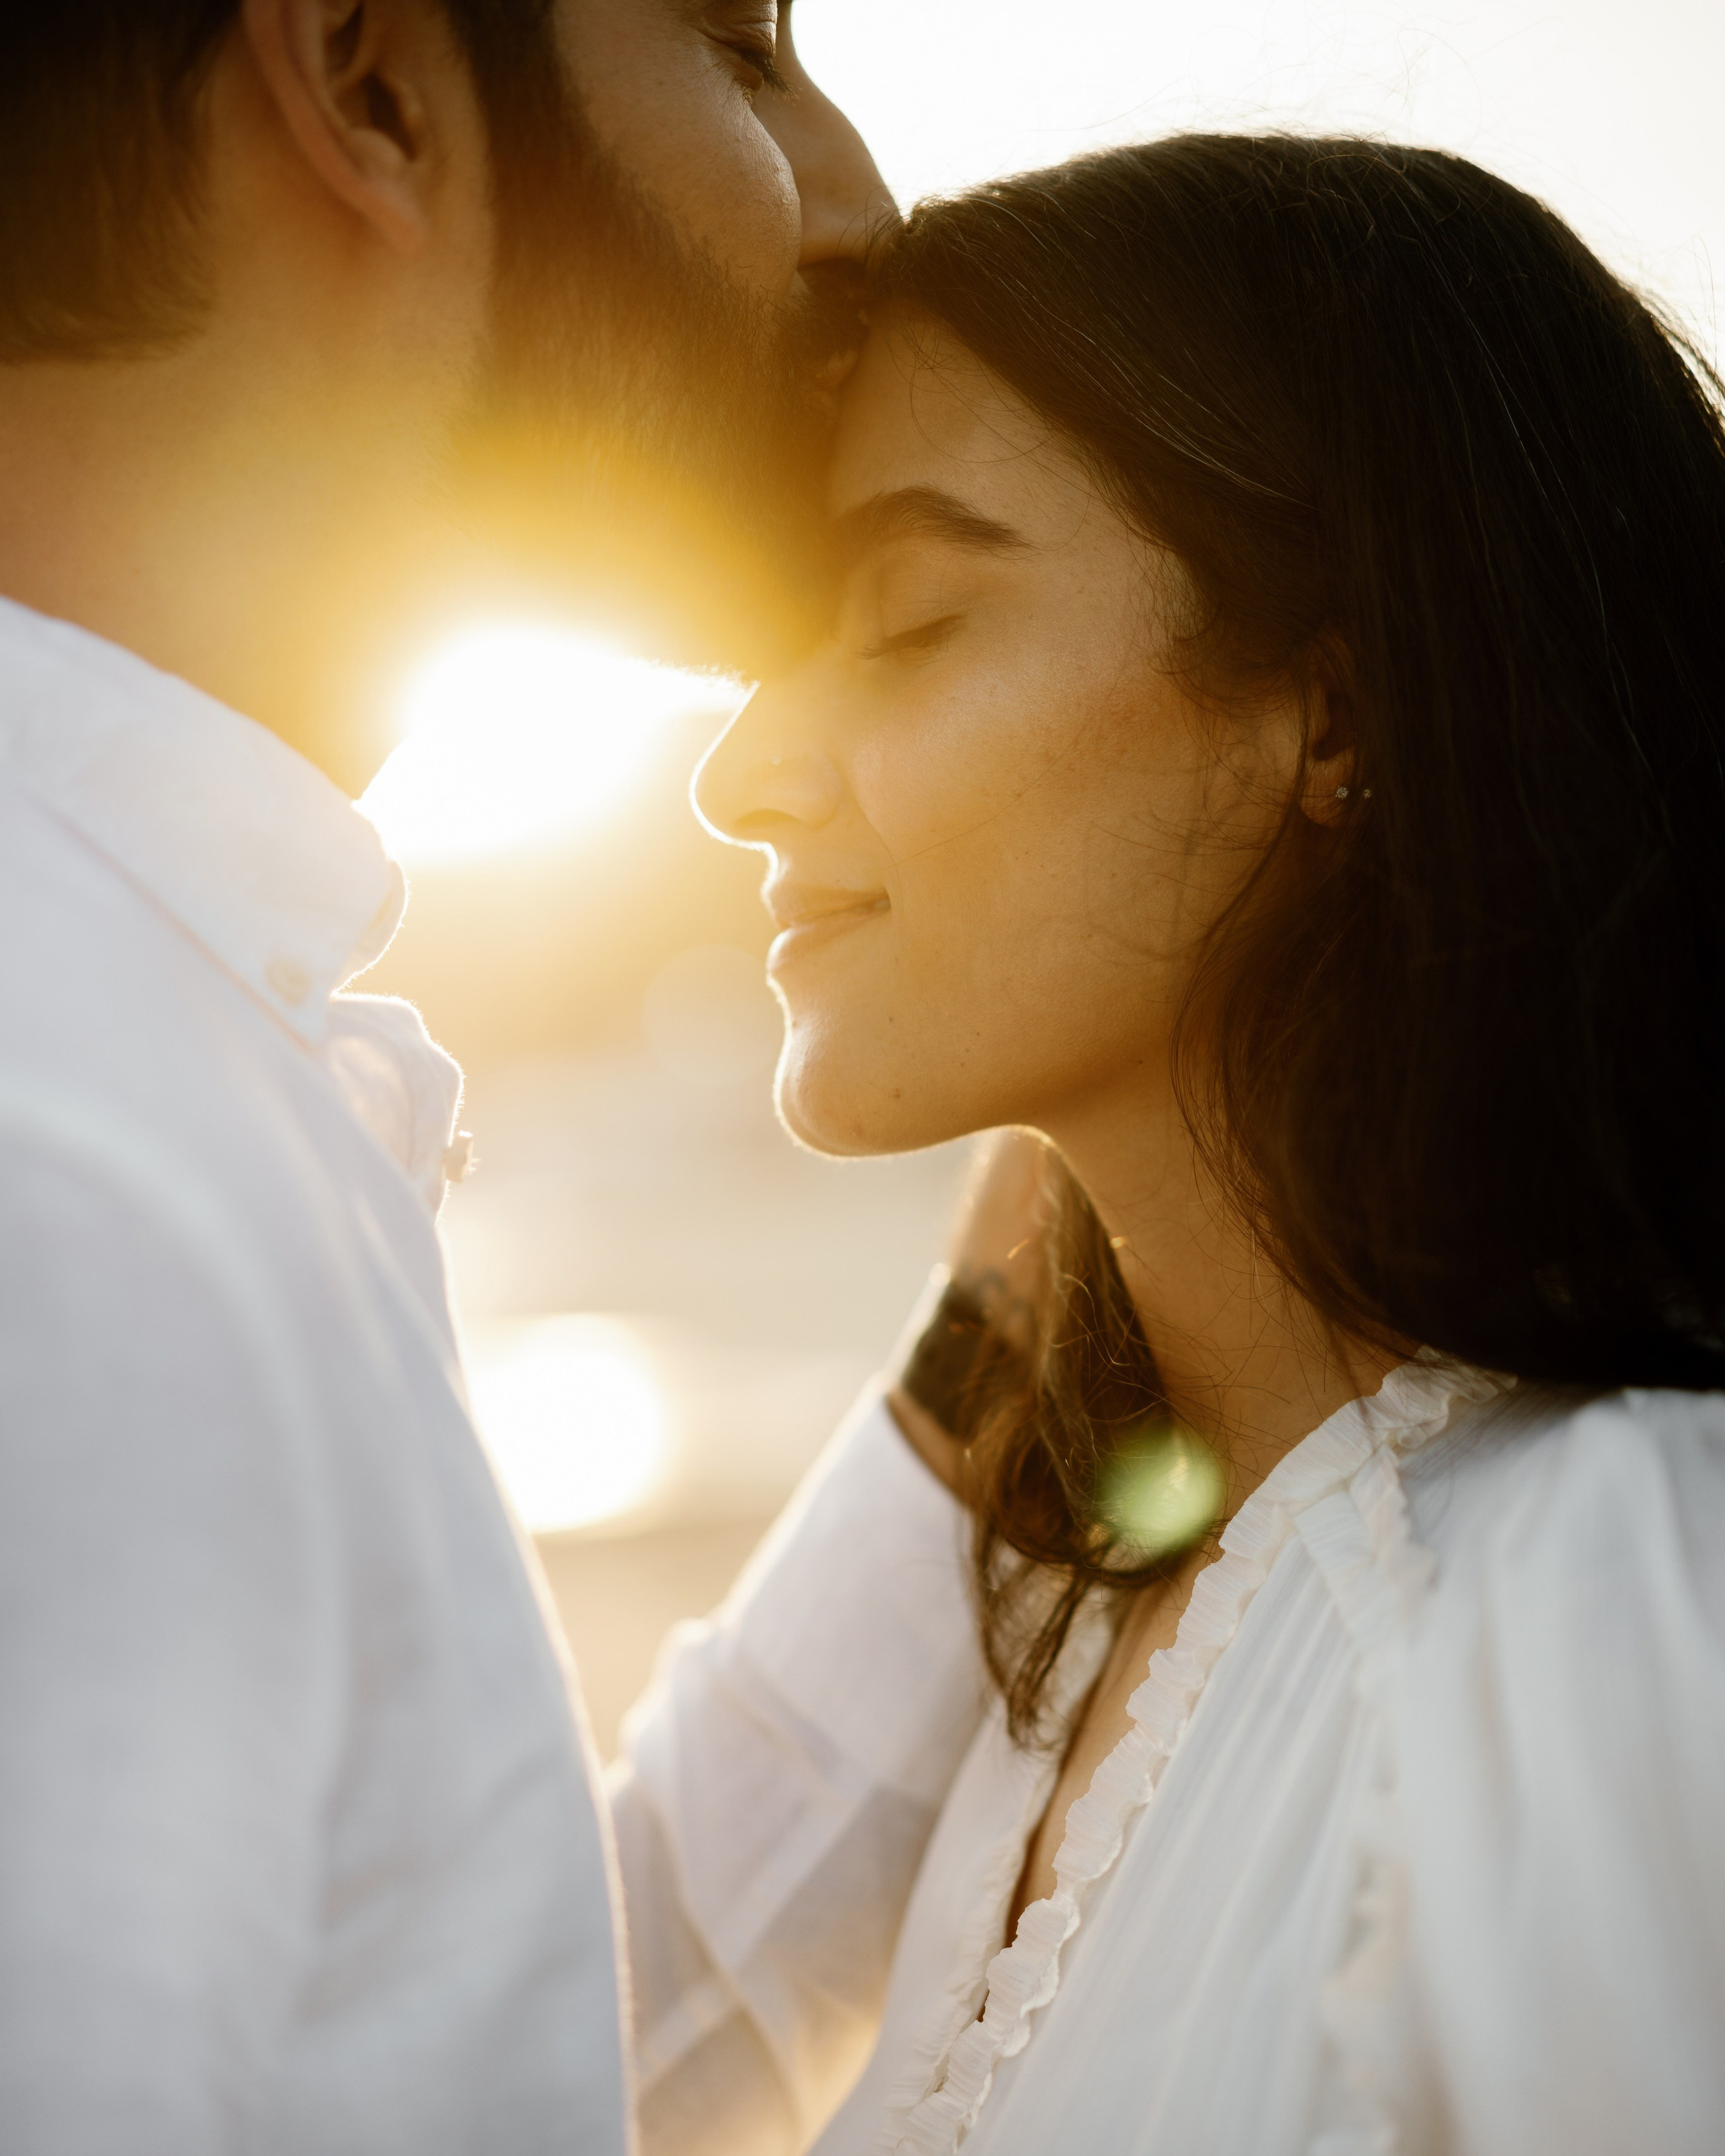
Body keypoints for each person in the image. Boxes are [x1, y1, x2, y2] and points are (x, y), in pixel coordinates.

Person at [648, 135, 1725, 2154]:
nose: (739, 771)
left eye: (907, 621)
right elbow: (607, 2030)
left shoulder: (1615, 1602)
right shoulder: (1069, 1638)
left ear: (1338, 720)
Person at [0, 4, 984, 2149]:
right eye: (742, 46)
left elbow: (466, 2046)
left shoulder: (155, 1023)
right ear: (371, 81)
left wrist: (1010, 1352)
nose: (862, 200)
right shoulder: (69, 1188)